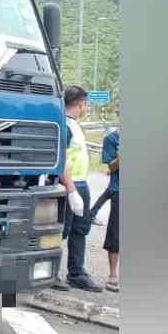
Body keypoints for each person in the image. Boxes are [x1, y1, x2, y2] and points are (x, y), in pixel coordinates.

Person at [58, 85, 103, 292]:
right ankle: (49, 273)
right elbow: (63, 159)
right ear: (81, 103)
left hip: (81, 183)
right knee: (60, 231)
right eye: (86, 103)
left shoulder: (75, 124)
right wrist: (71, 190)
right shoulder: (65, 126)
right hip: (70, 184)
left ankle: (76, 273)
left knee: (80, 230)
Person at [99, 128, 120, 291]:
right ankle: (113, 275)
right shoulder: (112, 138)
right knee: (115, 234)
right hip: (119, 191)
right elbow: (110, 168)